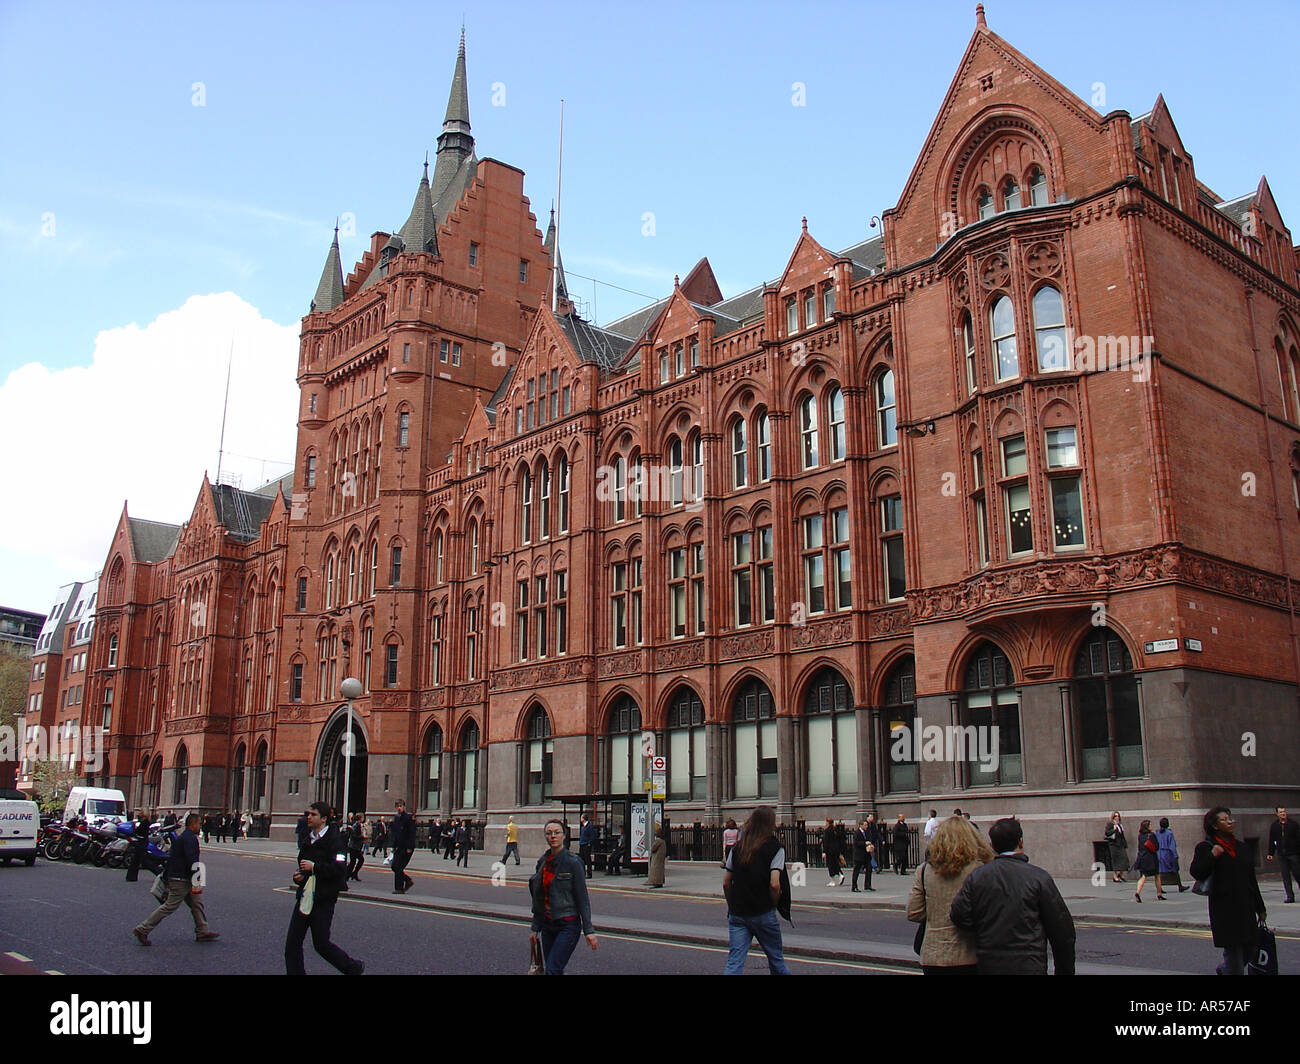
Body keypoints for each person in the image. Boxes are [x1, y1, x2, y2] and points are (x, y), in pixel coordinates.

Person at [949, 817, 1075, 975]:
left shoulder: (978, 877)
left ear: (992, 846)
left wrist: (983, 929)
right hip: (1029, 965)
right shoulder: (1038, 878)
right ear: (1021, 842)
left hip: (990, 964)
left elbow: (958, 914)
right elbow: (1062, 932)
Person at [907, 816, 995, 974]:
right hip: (968, 954)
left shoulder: (925, 870)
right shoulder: (980, 869)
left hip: (934, 955)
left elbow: (914, 912)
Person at [285, 801, 364, 975]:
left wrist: (315, 868)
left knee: (321, 944)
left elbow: (339, 870)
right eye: (308, 814)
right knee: (292, 944)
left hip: (323, 899)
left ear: (324, 819)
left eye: (313, 815)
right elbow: (303, 865)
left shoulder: (336, 841)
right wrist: (300, 876)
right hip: (305, 897)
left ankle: (353, 968)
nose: (308, 817)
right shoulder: (308, 838)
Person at [1189, 807, 1266, 975]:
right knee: (1235, 957)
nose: (1230, 821)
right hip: (1224, 909)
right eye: (1225, 819)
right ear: (1215, 826)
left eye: (1230, 818)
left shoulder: (1243, 848)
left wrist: (1260, 908)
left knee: (1250, 949)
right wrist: (1212, 856)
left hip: (1245, 907)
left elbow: (1251, 879)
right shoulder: (1206, 847)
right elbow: (1197, 872)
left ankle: (1224, 970)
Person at [133, 813, 220, 946]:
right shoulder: (190, 839)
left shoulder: (183, 837)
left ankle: (202, 931)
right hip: (181, 878)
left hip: (180, 876)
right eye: (199, 824)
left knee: (196, 904)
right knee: (169, 906)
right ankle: (143, 929)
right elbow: (192, 860)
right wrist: (196, 880)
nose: (200, 827)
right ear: (193, 824)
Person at [722, 806, 790, 975]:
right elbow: (775, 884)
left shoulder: (738, 847)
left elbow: (726, 883)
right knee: (776, 960)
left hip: (738, 913)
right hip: (762, 912)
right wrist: (772, 905)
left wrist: (732, 905)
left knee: (734, 963)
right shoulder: (775, 848)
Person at [529, 819, 598, 975]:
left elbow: (583, 898)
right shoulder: (542, 862)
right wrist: (535, 928)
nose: (553, 836)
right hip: (547, 925)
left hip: (568, 925)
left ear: (564, 836)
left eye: (557, 833)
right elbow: (539, 899)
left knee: (552, 970)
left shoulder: (573, 862)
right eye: (549, 833)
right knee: (554, 970)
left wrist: (589, 931)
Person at [1267, 806, 1300, 904]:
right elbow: (1272, 840)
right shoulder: (1274, 826)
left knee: (1297, 874)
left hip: (1293, 853)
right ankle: (1290, 896)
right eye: (1281, 812)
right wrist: (1270, 853)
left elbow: (1299, 838)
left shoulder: (1293, 824)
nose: (1283, 814)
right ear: (1277, 814)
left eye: (1284, 812)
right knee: (1285, 877)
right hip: (1282, 854)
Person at [1154, 817, 1188, 894]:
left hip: (1159, 853)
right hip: (1167, 853)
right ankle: (1180, 886)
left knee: (1160, 872)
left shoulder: (1157, 833)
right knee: (1174, 869)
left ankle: (1159, 887)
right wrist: (1175, 855)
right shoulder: (1169, 833)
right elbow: (1172, 846)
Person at [1132, 818, 1161, 901]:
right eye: (1150, 825)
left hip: (1142, 857)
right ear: (1147, 827)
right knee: (1157, 875)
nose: (1151, 826)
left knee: (1143, 876)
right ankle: (1159, 894)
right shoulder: (1151, 835)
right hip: (1151, 858)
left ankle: (1138, 892)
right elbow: (1157, 846)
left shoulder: (1140, 836)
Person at [390, 800, 415, 894]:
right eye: (397, 806)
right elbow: (396, 834)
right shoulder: (396, 818)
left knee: (399, 867)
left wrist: (410, 847)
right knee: (394, 866)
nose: (399, 808)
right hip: (399, 846)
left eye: (400, 806)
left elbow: (411, 833)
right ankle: (407, 880)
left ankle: (399, 888)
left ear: (404, 806)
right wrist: (393, 846)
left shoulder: (408, 818)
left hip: (407, 847)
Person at [850, 819, 877, 892]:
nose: (867, 826)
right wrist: (865, 843)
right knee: (856, 870)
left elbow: (869, 841)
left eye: (867, 825)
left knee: (869, 869)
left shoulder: (867, 832)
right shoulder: (857, 833)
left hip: (866, 854)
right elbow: (856, 843)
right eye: (865, 825)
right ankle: (854, 886)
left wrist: (871, 845)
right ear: (861, 825)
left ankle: (867, 885)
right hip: (859, 855)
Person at [124, 808, 150, 882]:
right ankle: (131, 877)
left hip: (141, 842)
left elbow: (140, 831)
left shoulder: (145, 822)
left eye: (141, 812)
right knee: (136, 860)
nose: (139, 814)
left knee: (140, 860)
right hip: (142, 841)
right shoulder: (145, 821)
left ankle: (158, 872)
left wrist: (134, 832)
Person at [1104, 811, 1128, 883]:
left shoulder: (1120, 825)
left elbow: (1122, 835)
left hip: (1120, 844)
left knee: (1124, 859)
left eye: (1118, 816)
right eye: (1115, 816)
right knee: (1115, 860)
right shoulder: (1110, 824)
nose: (1117, 817)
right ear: (1113, 817)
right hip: (1113, 844)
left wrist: (1125, 844)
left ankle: (1121, 874)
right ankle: (1115, 876)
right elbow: (1107, 833)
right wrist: (1113, 829)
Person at [822, 817, 844, 887]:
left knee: (830, 865)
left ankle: (833, 881)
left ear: (828, 822)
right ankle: (840, 875)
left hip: (829, 851)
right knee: (835, 863)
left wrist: (824, 852)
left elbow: (826, 842)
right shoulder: (836, 829)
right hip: (836, 850)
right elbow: (841, 838)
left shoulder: (827, 830)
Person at [345, 813, 365, 881]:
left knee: (354, 861)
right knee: (356, 861)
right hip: (354, 846)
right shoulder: (357, 825)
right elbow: (354, 835)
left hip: (354, 846)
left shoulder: (356, 824)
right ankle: (349, 874)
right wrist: (362, 837)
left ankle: (352, 874)